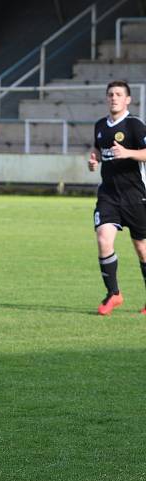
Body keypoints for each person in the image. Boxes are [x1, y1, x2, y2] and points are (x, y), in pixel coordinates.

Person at [88, 80, 146, 315]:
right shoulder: (100, 125)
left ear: (127, 100)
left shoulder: (135, 126)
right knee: (103, 237)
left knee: (142, 248)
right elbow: (98, 151)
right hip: (109, 195)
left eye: (118, 94)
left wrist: (129, 153)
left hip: (135, 195)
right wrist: (94, 161)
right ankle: (114, 294)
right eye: (110, 94)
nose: (114, 97)